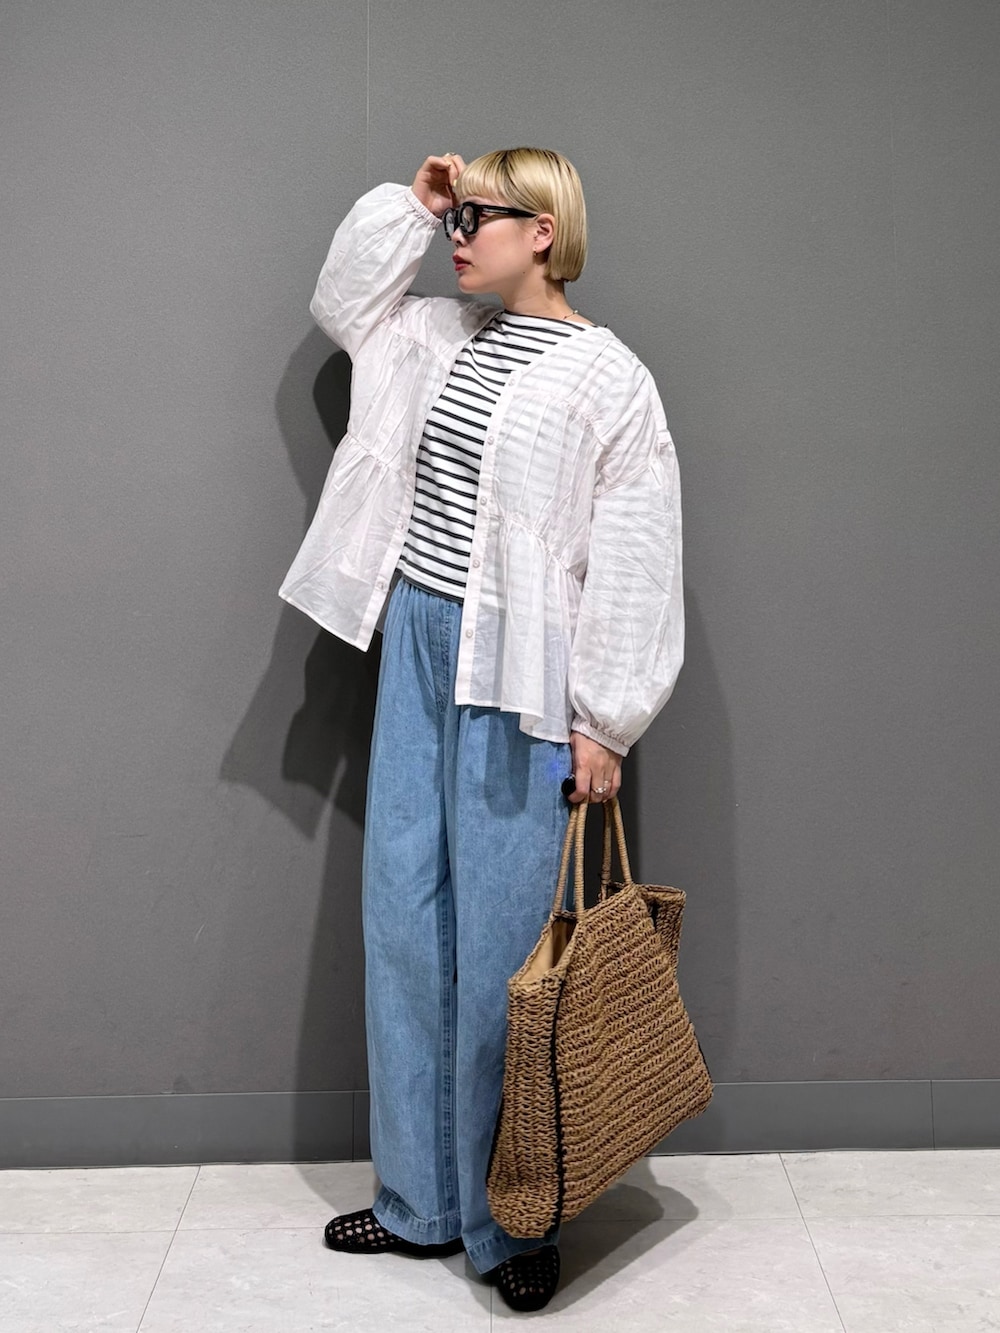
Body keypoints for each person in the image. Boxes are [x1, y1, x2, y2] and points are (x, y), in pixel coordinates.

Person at [279, 148, 683, 1312]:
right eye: (452, 220)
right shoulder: (428, 333)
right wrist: (410, 205)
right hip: (415, 637)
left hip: (522, 665)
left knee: (511, 949)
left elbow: (636, 551)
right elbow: (343, 300)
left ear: (543, 230)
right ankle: (420, 1203)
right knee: (404, 919)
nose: (458, 238)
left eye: (477, 219)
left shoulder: (607, 377)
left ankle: (514, 1221)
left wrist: (605, 719)